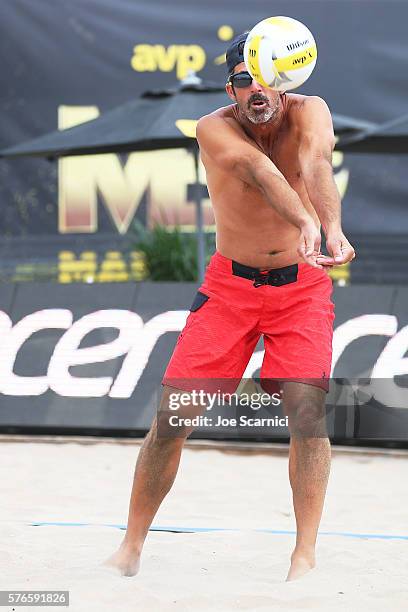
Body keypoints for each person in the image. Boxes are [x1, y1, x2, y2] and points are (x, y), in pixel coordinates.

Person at [106, 32, 355, 581]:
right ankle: (130, 545)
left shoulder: (311, 111)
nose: (256, 88)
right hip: (230, 288)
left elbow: (315, 162)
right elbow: (264, 174)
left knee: (308, 419)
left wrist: (331, 227)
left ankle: (304, 555)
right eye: (245, 80)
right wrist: (308, 222)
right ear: (231, 88)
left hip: (302, 288)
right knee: (173, 419)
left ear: (286, 83)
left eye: (267, 78)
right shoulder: (214, 126)